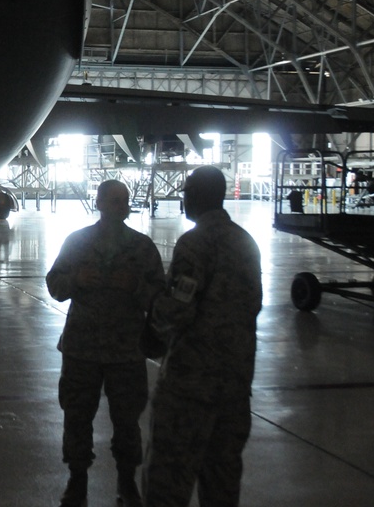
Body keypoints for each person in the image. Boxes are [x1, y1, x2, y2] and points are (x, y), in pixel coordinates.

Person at [143, 166, 263, 507]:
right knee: (222, 484)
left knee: (167, 483)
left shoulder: (195, 243)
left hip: (190, 388)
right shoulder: (245, 242)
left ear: (196, 196)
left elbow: (178, 309)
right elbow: (253, 304)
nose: (183, 196)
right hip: (235, 386)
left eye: (186, 190)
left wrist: (152, 310)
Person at [46, 179, 166, 507]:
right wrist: (75, 280)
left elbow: (160, 298)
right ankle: (77, 480)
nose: (121, 207)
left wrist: (136, 286)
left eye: (124, 201)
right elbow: (54, 283)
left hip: (126, 348)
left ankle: (127, 483)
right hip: (81, 347)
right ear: (98, 203)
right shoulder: (77, 241)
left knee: (127, 420)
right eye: (114, 201)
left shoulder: (142, 248)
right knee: (77, 415)